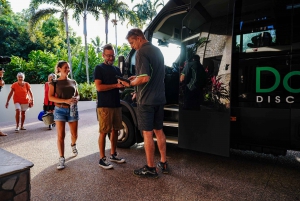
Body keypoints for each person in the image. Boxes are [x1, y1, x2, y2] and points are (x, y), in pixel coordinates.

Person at [122, 28, 168, 178]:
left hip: (147, 101)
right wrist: (137, 82)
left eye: (132, 42)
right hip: (159, 98)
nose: (132, 46)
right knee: (159, 131)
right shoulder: (158, 51)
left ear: (138, 38)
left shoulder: (141, 52)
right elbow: (152, 75)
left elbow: (144, 78)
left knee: (147, 134)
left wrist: (130, 84)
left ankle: (150, 168)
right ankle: (163, 162)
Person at [93, 44, 126, 169]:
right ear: (103, 55)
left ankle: (113, 154)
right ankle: (102, 159)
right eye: (108, 55)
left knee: (115, 130)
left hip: (116, 104)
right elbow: (99, 87)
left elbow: (120, 86)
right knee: (103, 131)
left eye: (112, 55)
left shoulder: (117, 70)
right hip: (104, 105)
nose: (111, 58)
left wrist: (123, 85)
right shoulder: (99, 68)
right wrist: (116, 86)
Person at [48, 61, 79, 170]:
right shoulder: (54, 82)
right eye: (65, 67)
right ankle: (61, 158)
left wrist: (76, 99)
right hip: (59, 110)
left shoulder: (73, 82)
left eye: (69, 67)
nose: (68, 69)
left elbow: (77, 95)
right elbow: (50, 97)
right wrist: (65, 100)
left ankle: (73, 144)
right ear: (59, 69)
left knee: (74, 134)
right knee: (61, 135)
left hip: (73, 109)